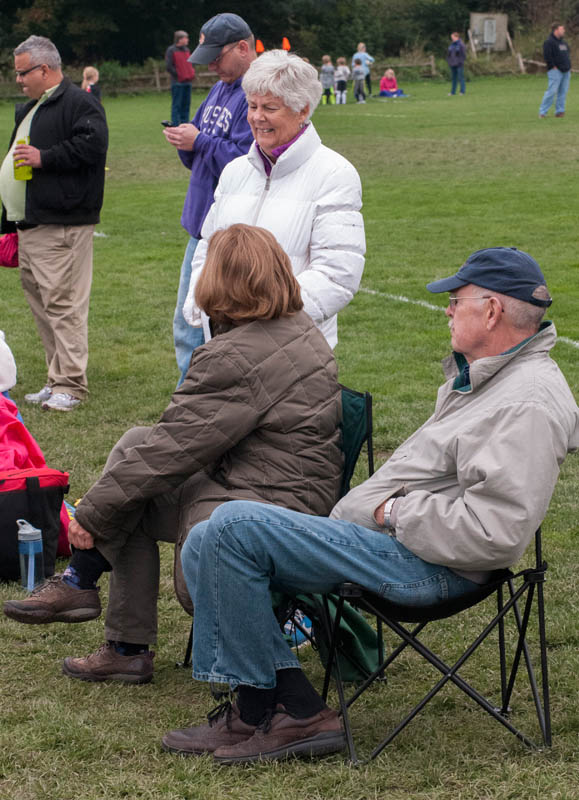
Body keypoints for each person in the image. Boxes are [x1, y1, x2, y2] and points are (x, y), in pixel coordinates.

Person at [162, 247, 579, 764]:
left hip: (431, 567)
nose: (448, 310)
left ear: (492, 311)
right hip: (399, 548)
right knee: (206, 537)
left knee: (231, 525)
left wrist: (393, 512)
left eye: (456, 300)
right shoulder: (492, 377)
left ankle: (286, 712)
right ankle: (271, 705)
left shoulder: (525, 402)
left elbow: (495, 533)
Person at [3, 223, 343, 685]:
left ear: (218, 283)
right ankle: (103, 617)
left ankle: (91, 595)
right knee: (133, 448)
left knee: (139, 472)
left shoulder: (239, 357)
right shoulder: (294, 328)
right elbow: (171, 442)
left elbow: (172, 448)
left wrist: (88, 516)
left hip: (267, 505)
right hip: (282, 486)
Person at [183, 49, 365, 352]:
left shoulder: (334, 174)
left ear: (302, 110)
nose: (256, 117)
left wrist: (262, 320)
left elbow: (337, 275)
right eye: (252, 105)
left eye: (270, 107)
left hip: (294, 351)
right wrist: (200, 302)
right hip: (223, 345)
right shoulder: (234, 171)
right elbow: (207, 247)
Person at [0, 36, 108, 411]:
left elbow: (93, 147)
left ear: (45, 70)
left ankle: (72, 385)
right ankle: (55, 375)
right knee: (43, 305)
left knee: (63, 304)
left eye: (22, 72)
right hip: (30, 224)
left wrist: (45, 158)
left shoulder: (79, 103)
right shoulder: (35, 106)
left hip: (61, 224)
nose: (17, 79)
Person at [163, 13, 256, 386]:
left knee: (215, 324)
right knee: (189, 323)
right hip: (201, 225)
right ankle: (191, 400)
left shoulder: (256, 94)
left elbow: (248, 160)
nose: (212, 65)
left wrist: (198, 142)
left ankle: (196, 402)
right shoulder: (220, 88)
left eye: (218, 56)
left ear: (243, 48)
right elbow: (202, 147)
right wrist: (186, 143)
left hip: (231, 230)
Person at [539, 23, 571, 118]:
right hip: (555, 71)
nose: (564, 31)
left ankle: (560, 111)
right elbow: (547, 56)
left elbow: (567, 54)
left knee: (563, 92)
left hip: (566, 71)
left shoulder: (563, 43)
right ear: (556, 30)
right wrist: (553, 66)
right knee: (552, 91)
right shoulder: (549, 42)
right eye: (562, 29)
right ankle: (543, 112)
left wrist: (568, 66)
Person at [164, 31, 195, 126]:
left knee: (186, 105)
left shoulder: (186, 50)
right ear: (180, 39)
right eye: (186, 38)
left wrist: (190, 73)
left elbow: (190, 64)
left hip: (187, 82)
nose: (187, 40)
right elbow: (169, 66)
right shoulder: (171, 50)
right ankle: (176, 124)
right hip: (177, 82)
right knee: (177, 105)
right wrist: (179, 75)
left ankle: (185, 124)